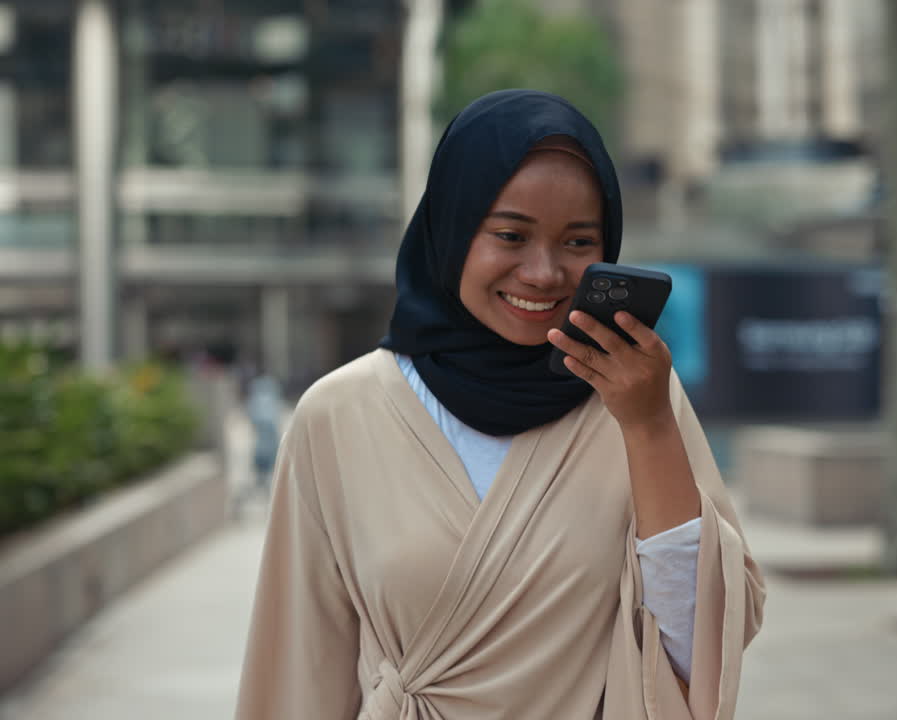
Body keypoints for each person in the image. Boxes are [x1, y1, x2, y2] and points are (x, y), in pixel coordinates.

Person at [234, 89, 765, 720]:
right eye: (510, 234)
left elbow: (699, 649)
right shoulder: (337, 417)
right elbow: (297, 669)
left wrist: (648, 427)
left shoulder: (637, 399)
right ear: (452, 230)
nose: (543, 273)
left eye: (578, 242)